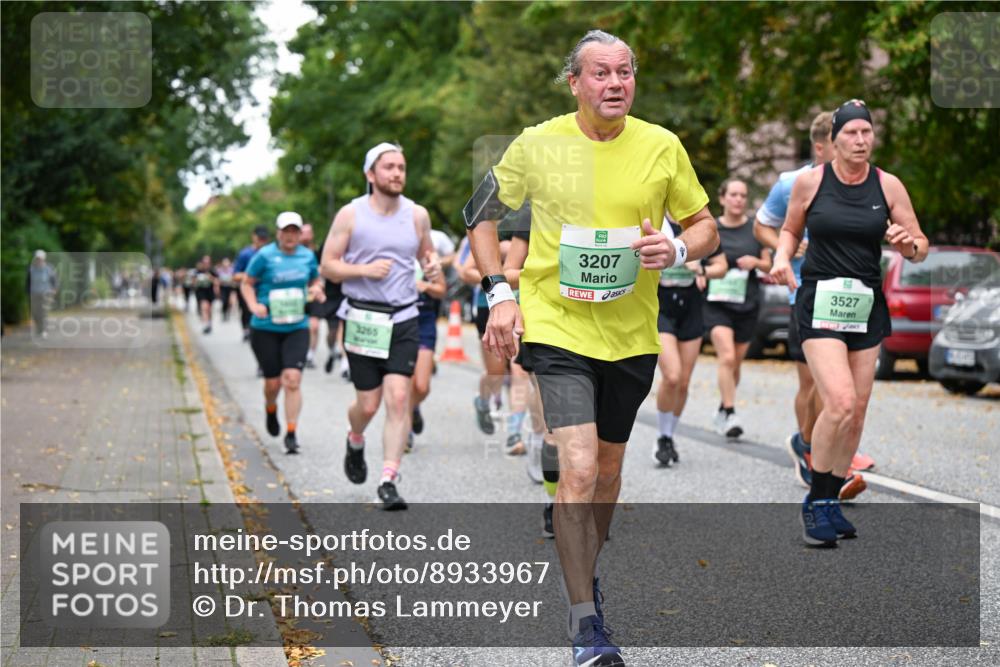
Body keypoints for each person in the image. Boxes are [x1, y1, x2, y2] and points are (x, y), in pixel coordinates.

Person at [464, 30, 719, 667]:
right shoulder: (539, 143)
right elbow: (480, 214)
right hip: (556, 327)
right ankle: (585, 623)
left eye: (625, 73)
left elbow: (704, 226)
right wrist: (500, 292)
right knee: (577, 468)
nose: (615, 84)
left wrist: (680, 250)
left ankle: (585, 579)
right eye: (601, 73)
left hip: (632, 334)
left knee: (606, 472)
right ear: (575, 82)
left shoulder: (662, 146)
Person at [770, 99, 927, 547]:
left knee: (856, 411)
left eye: (866, 133)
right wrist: (782, 258)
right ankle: (817, 502)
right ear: (833, 141)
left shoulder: (888, 185)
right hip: (819, 300)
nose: (861, 141)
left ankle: (832, 501)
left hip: (865, 304)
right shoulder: (811, 182)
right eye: (851, 134)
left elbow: (920, 244)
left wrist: (907, 244)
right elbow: (790, 230)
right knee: (837, 401)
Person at [754, 111, 870, 500]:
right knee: (814, 384)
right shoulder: (793, 183)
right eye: (842, 138)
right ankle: (809, 447)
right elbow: (763, 226)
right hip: (803, 293)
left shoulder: (864, 183)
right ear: (822, 146)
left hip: (851, 299)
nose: (852, 144)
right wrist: (783, 250)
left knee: (844, 389)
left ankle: (830, 453)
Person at [320, 142, 442, 511]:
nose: (397, 173)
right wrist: (362, 270)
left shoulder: (417, 215)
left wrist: (433, 266)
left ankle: (388, 479)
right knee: (368, 405)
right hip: (362, 318)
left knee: (399, 399)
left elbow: (426, 253)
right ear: (370, 174)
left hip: (404, 317)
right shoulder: (350, 215)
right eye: (388, 167)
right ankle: (355, 437)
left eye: (401, 167)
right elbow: (328, 265)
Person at [240, 212, 324, 455]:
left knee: (293, 379)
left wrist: (317, 290)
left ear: (300, 234)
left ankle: (291, 432)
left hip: (297, 326)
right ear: (278, 233)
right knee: (273, 383)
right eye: (285, 231)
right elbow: (247, 282)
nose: (290, 236)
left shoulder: (307, 256)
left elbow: (315, 281)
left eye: (294, 231)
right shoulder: (264, 256)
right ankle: (270, 407)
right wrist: (254, 305)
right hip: (266, 328)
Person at [654, 218, 728, 465]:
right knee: (672, 376)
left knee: (684, 382)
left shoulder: (699, 227)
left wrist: (702, 270)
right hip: (661, 307)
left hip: (691, 308)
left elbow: (722, 265)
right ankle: (663, 437)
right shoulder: (657, 222)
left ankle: (668, 435)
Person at [702, 179, 771, 438]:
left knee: (736, 363)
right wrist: (701, 273)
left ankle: (722, 407)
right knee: (727, 357)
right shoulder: (712, 229)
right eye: (733, 194)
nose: (738, 199)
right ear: (722, 198)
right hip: (716, 304)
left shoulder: (755, 229)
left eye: (743, 195)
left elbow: (769, 264)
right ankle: (730, 412)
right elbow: (699, 260)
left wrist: (755, 261)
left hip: (747, 303)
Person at [408, 233, 448, 450]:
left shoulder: (427, 258)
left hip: (423, 322)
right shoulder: (391, 255)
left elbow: (442, 290)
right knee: (402, 384)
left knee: (421, 386)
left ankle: (413, 407)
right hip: (397, 322)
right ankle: (404, 432)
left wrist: (424, 286)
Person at [234, 226, 272, 343]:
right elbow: (235, 275)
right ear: (253, 237)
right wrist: (252, 276)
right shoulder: (245, 254)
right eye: (260, 238)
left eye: (264, 239)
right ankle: (247, 330)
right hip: (249, 289)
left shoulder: (271, 253)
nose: (262, 241)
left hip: (264, 291)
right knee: (246, 311)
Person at [27, 250, 58, 338]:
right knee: (35, 313)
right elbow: (28, 281)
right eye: (37, 258)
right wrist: (27, 292)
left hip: (46, 294)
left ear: (44, 259)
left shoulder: (49, 268)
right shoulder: (31, 268)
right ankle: (39, 329)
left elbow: (54, 280)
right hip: (34, 293)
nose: (38, 260)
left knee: (43, 312)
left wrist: (55, 289)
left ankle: (44, 330)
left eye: (40, 258)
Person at [193, 255, 220, 334]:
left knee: (209, 309)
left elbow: (217, 281)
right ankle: (206, 325)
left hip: (210, 291)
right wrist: (197, 281)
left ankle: (209, 322)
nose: (206, 264)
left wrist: (210, 278)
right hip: (201, 292)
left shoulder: (212, 271)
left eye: (208, 262)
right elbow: (193, 282)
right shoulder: (198, 271)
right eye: (205, 262)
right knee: (204, 307)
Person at [216, 258, 236, 322]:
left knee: (230, 302)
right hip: (223, 288)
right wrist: (217, 288)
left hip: (230, 287)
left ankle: (228, 312)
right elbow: (217, 280)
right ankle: (224, 313)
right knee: (224, 301)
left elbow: (234, 279)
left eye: (227, 263)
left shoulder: (232, 270)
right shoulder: (219, 271)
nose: (226, 264)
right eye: (225, 263)